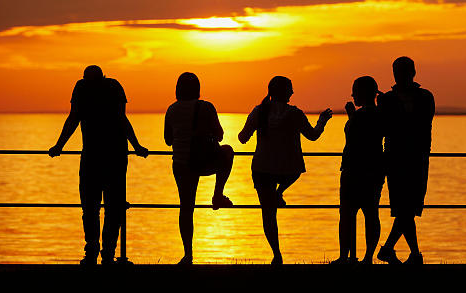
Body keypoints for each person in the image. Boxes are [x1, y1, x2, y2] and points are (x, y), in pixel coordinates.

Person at [48, 65, 148, 265]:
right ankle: (100, 252)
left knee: (97, 206)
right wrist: (59, 145)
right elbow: (119, 119)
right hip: (110, 155)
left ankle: (98, 251)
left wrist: (59, 146)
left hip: (101, 155)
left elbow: (75, 118)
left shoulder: (86, 87)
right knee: (106, 206)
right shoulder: (105, 86)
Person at [238, 76, 333, 265]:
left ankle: (277, 255)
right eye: (290, 89)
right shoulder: (294, 114)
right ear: (284, 92)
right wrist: (322, 120)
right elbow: (313, 136)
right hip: (286, 170)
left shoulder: (259, 112)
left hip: (261, 169)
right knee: (298, 169)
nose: (292, 92)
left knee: (268, 214)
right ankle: (279, 192)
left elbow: (242, 138)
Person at [164, 72, 235, 265]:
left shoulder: (171, 109)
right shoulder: (206, 107)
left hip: (180, 164)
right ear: (198, 89)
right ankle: (217, 194)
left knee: (186, 208)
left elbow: (168, 140)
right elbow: (220, 135)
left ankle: (188, 255)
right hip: (203, 161)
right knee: (228, 151)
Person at [376, 57, 435, 265]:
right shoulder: (388, 99)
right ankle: (412, 254)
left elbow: (419, 124)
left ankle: (395, 250)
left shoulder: (425, 97)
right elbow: (385, 128)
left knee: (408, 208)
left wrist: (393, 109)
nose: (399, 75)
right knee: (404, 208)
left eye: (403, 70)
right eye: (396, 71)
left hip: (417, 158)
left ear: (413, 72)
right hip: (394, 158)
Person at [330, 76, 385, 265]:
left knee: (347, 214)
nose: (352, 94)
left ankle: (347, 256)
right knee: (370, 213)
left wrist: (352, 115)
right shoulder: (380, 114)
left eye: (355, 91)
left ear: (363, 93)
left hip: (355, 169)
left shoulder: (363, 115)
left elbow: (357, 135)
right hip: (374, 169)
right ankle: (366, 257)